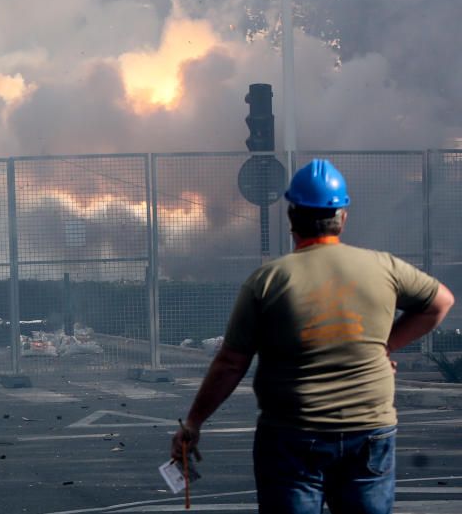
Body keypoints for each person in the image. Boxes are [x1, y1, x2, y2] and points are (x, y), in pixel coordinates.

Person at [170, 158, 455, 514]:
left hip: (292, 436)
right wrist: (384, 346)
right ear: (343, 216)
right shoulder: (384, 267)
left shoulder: (269, 280)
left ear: (292, 218)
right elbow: (440, 302)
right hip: (370, 430)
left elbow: (230, 363)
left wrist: (195, 421)